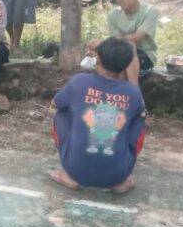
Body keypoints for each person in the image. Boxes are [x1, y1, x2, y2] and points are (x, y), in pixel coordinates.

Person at [50, 37, 146, 194]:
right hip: (118, 174)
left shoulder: (79, 82)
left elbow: (55, 103)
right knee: (138, 119)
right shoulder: (133, 92)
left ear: (98, 59)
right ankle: (119, 183)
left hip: (75, 170)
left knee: (63, 112)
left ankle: (69, 177)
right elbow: (141, 111)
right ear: (127, 65)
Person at [99, 0, 159, 84]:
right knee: (98, 48)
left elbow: (137, 37)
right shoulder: (114, 14)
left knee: (129, 47)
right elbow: (117, 43)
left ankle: (131, 91)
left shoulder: (150, 11)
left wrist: (111, 42)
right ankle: (122, 92)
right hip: (121, 53)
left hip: (145, 56)